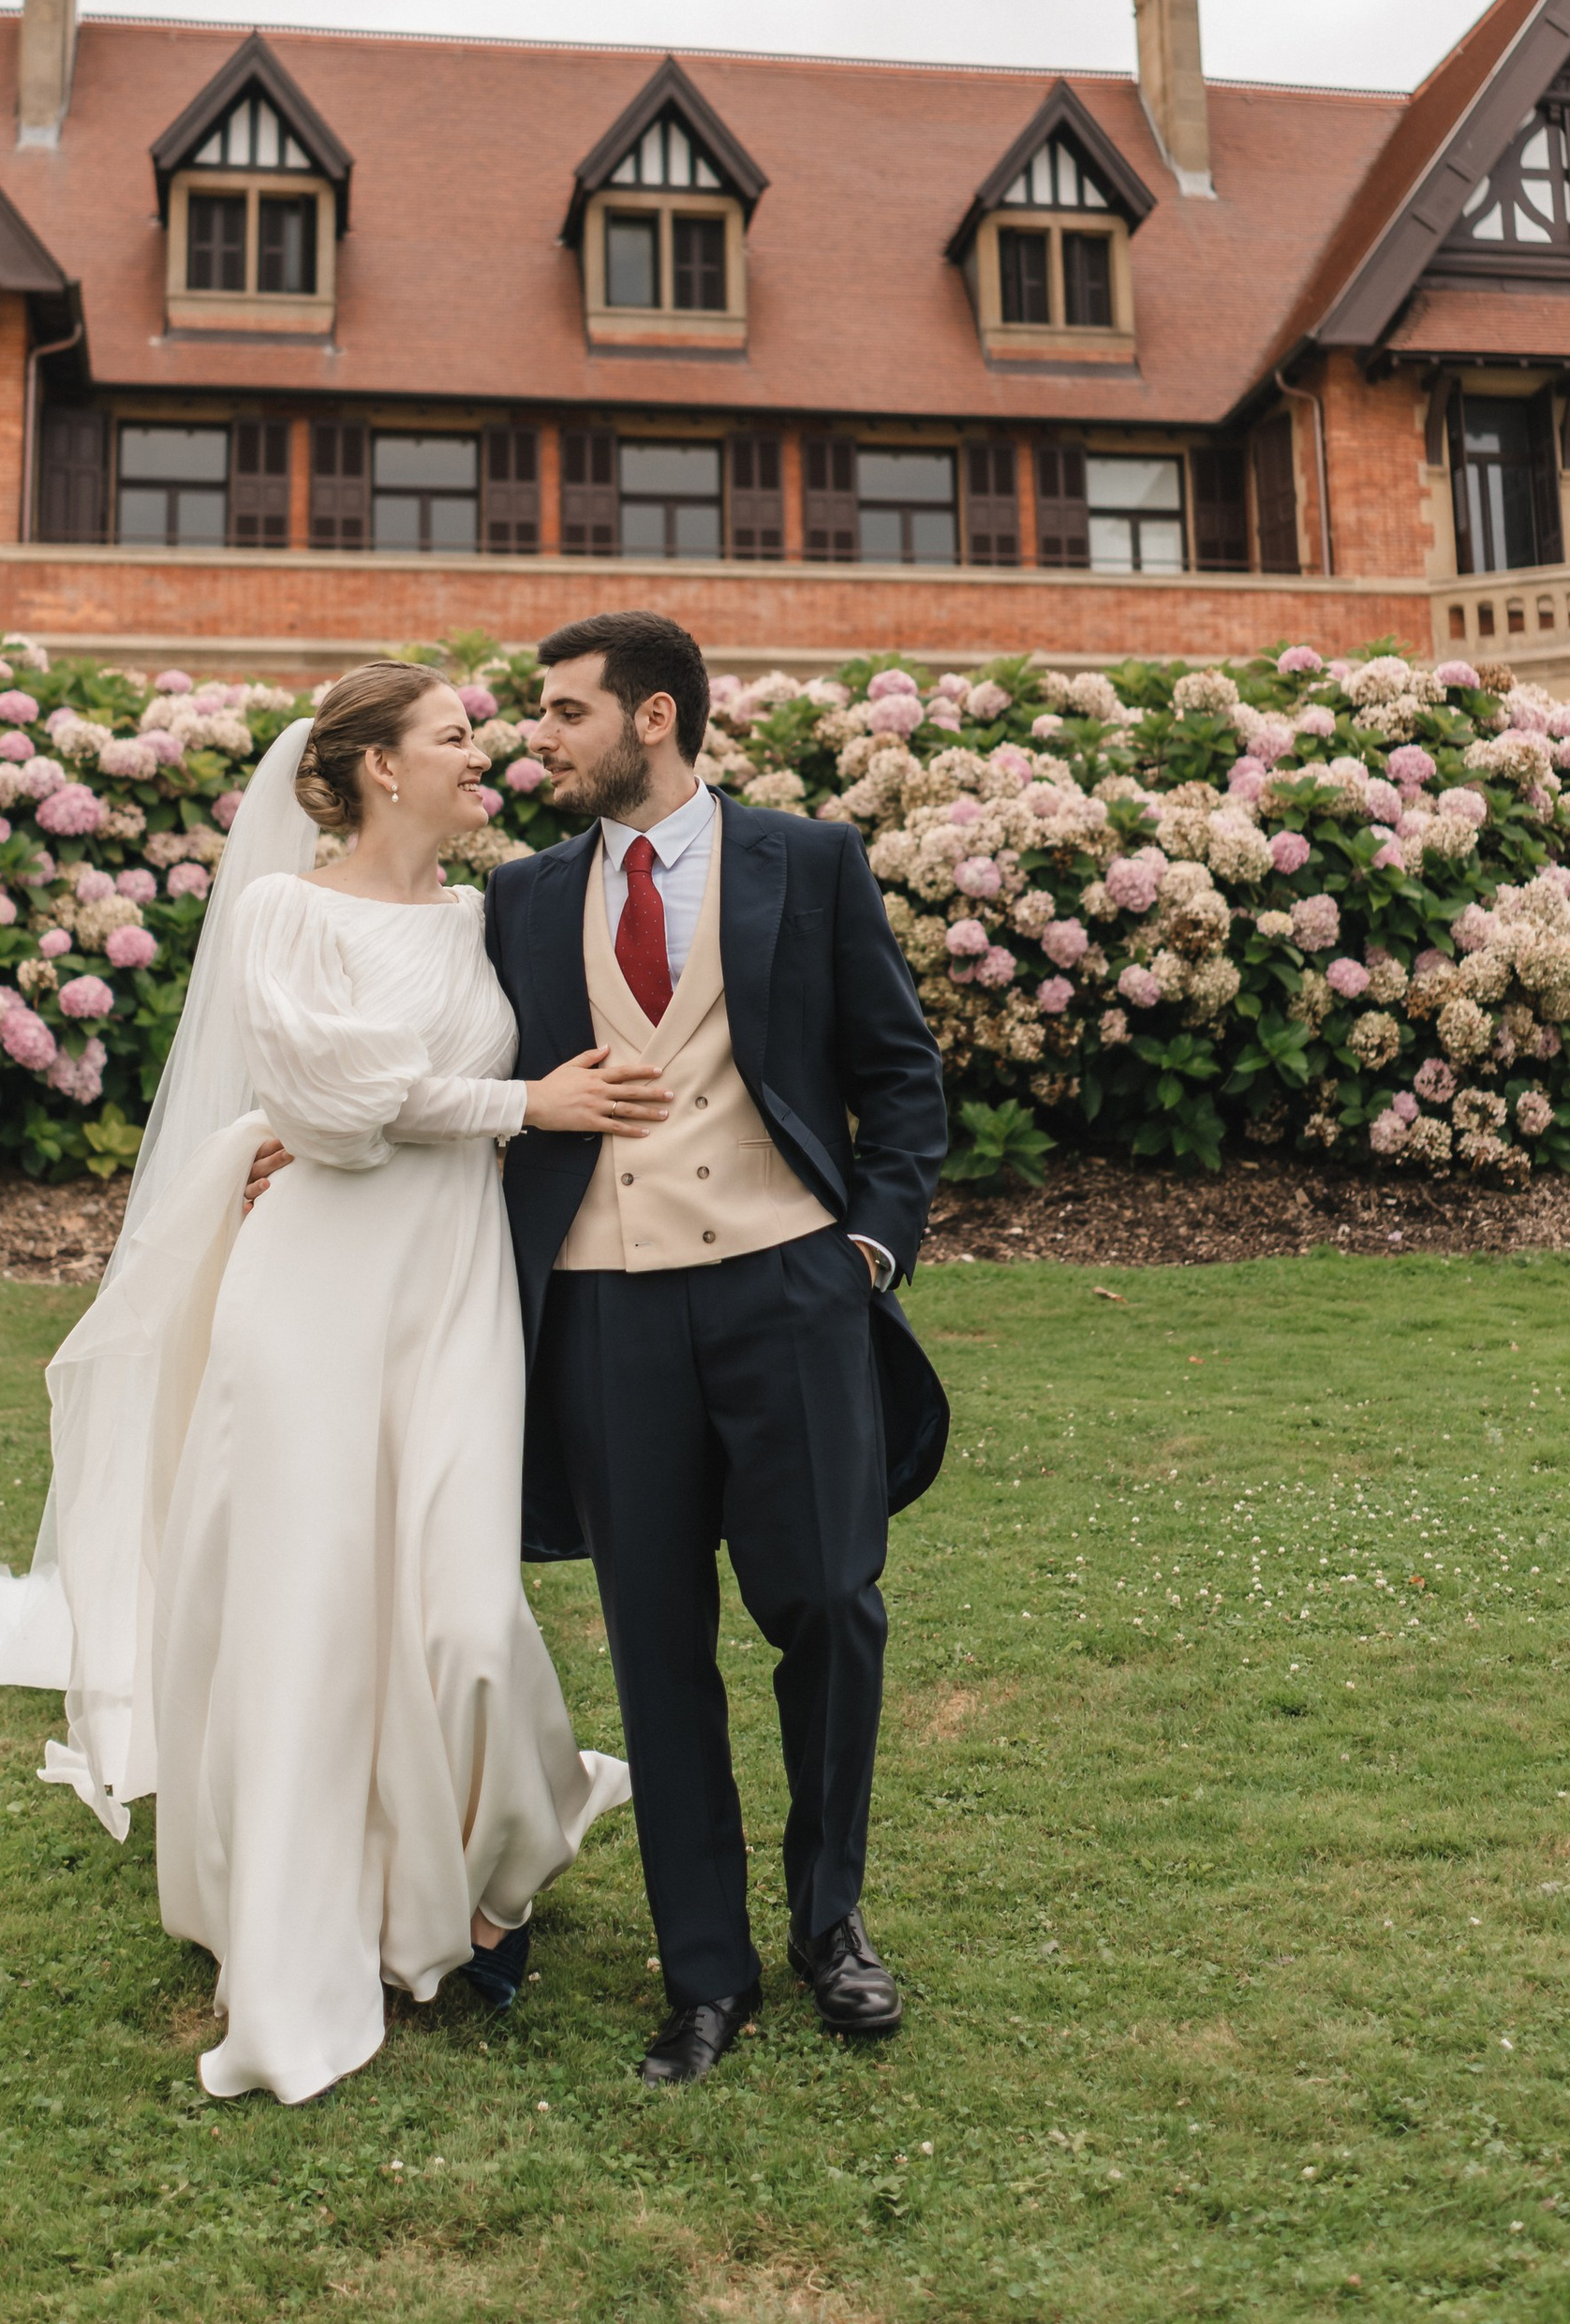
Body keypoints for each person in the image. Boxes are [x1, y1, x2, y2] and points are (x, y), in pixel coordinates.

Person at [0, 663, 657, 2106]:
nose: (487, 756)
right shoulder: (284, 912)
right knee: (307, 1609)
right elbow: (331, 1109)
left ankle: (503, 1860)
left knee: (468, 1620)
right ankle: (309, 1921)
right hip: (308, 1296)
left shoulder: (491, 921)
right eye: (456, 738)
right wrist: (517, 1105)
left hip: (452, 1290)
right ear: (373, 770)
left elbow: (380, 1099)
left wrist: (486, 1114)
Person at [487, 611, 950, 2086]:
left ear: (660, 718)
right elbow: (440, 1084)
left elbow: (898, 1074)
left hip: (786, 1290)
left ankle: (831, 1924)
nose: (538, 738)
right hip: (605, 1309)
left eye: (566, 713)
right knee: (656, 1645)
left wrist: (866, 1247)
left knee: (828, 1600)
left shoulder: (805, 864)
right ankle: (704, 1975)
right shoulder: (516, 899)